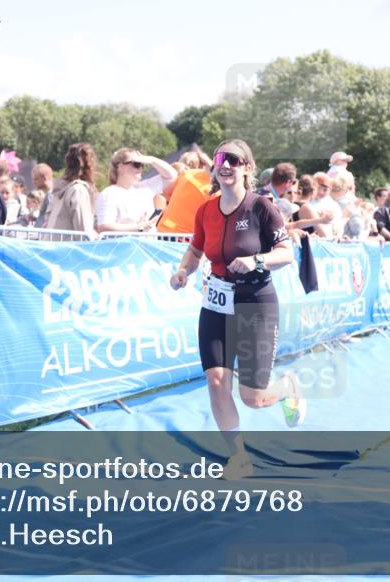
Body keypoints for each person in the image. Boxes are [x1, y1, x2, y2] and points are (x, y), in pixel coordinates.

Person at [169, 140, 305, 478]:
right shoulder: (206, 210)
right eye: (220, 158)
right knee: (216, 380)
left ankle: (287, 387)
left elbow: (286, 254)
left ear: (247, 167)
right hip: (216, 303)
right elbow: (195, 250)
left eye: (234, 159)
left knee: (253, 398)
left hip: (254, 303)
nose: (225, 164)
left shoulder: (261, 207)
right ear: (214, 166)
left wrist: (257, 259)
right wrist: (183, 270)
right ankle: (239, 459)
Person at [96, 148, 178, 233]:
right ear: (120, 167)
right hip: (125, 245)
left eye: (142, 165)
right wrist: (139, 227)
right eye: (136, 164)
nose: (140, 169)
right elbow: (104, 227)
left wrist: (152, 160)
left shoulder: (145, 187)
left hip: (147, 244)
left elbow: (172, 176)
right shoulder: (108, 194)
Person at [46, 143, 99, 237]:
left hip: (54, 246)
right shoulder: (78, 190)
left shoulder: (60, 190)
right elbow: (83, 230)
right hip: (68, 249)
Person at [158, 149, 214, 234]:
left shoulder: (187, 175)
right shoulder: (217, 191)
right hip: (186, 237)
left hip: (166, 229)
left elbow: (166, 193)